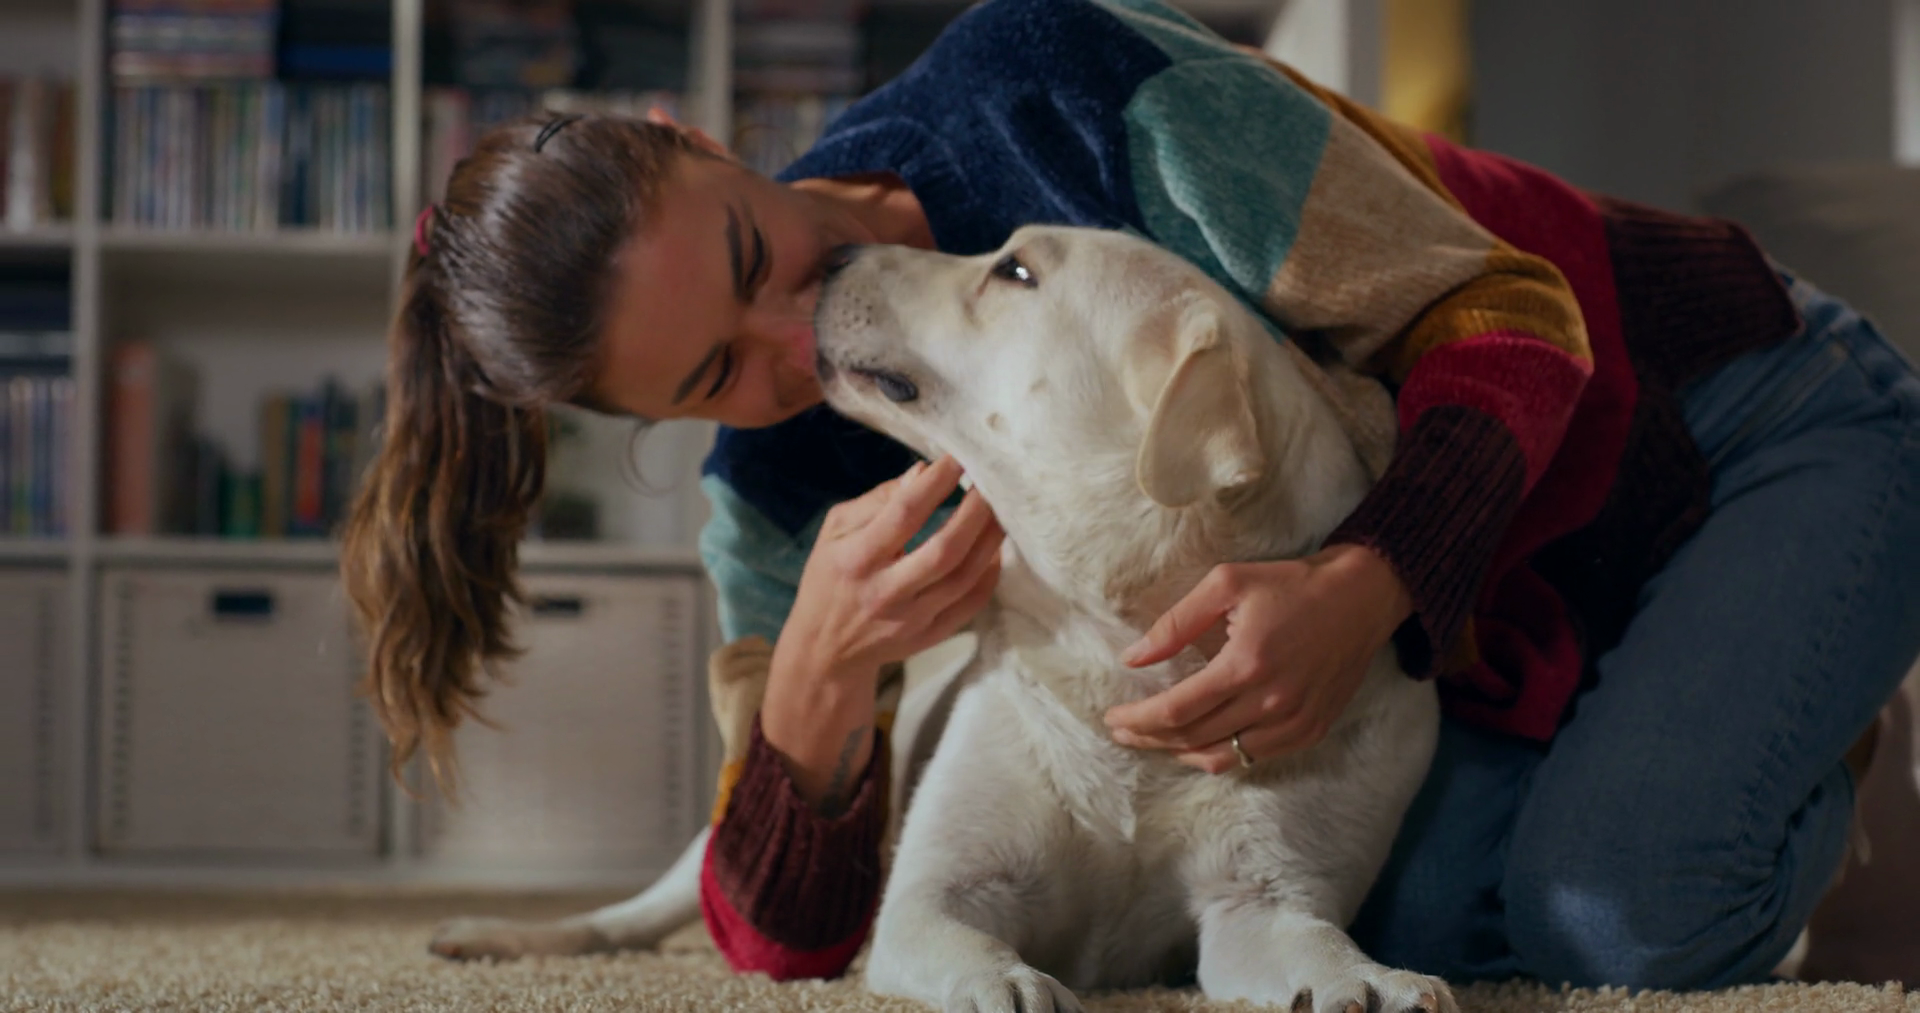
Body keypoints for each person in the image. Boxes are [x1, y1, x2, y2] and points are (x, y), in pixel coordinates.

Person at [340, 0, 1920, 992]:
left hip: (1734, 425)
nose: (795, 332)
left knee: (1619, 925)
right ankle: (1685, 718)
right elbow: (782, 940)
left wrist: (1365, 581)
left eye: (756, 255)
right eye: (715, 376)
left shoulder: (1060, 89)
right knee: (1415, 927)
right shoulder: (783, 484)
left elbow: (1514, 314)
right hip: (1499, 613)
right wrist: (813, 687)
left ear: (700, 140)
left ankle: (1807, 706)